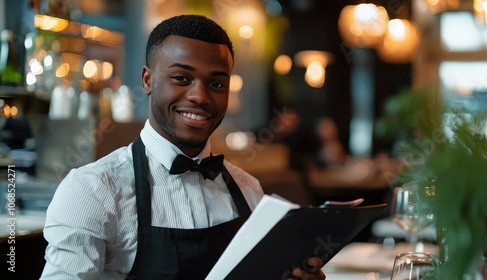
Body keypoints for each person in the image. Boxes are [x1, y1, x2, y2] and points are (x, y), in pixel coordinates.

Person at [40, 14, 325, 280]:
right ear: (147, 80)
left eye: (216, 83)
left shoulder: (249, 189)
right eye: (181, 78)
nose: (199, 96)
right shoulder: (93, 189)